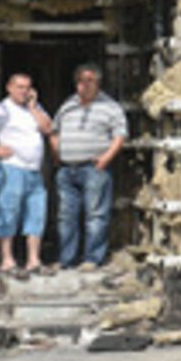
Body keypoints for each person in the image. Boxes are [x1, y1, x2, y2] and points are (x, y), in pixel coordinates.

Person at [0, 73, 53, 272]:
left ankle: (33, 260)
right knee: (9, 211)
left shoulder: (34, 109)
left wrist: (34, 107)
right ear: (9, 88)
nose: (24, 91)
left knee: (37, 212)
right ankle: (7, 259)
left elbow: (47, 128)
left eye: (27, 87)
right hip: (12, 167)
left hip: (34, 170)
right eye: (19, 87)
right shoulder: (2, 110)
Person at [51, 63, 128, 267]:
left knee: (95, 216)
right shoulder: (68, 105)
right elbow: (54, 130)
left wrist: (106, 159)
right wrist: (57, 153)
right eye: (80, 80)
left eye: (89, 80)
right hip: (67, 169)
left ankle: (92, 259)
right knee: (66, 217)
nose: (84, 85)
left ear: (98, 83)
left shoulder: (110, 107)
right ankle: (66, 260)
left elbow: (120, 135)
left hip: (93, 169)